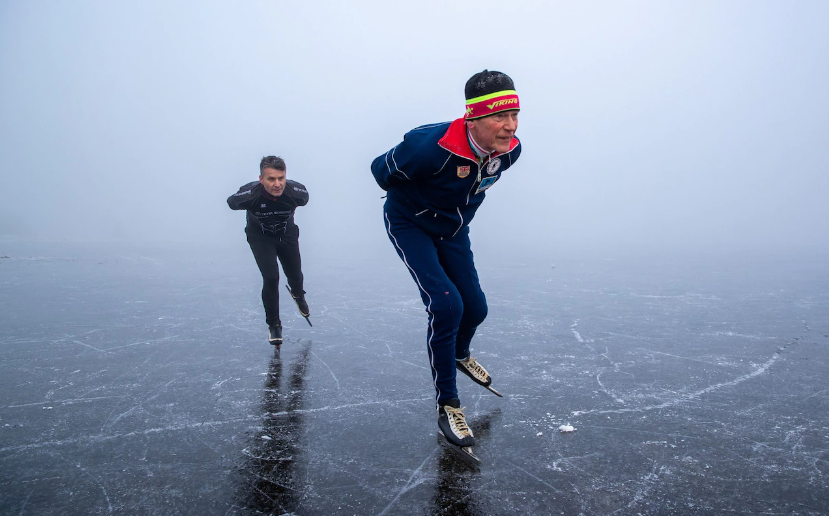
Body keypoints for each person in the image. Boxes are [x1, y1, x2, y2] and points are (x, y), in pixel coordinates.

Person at [370, 70, 522, 452]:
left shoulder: (510, 152)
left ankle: (458, 353)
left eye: (515, 114)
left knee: (476, 309)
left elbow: (475, 185)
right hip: (410, 224)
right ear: (474, 117)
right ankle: (448, 405)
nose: (509, 127)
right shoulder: (430, 146)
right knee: (446, 305)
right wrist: (415, 200)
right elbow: (380, 170)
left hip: (453, 230)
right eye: (499, 117)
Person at [227, 156, 310, 346]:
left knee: (295, 275)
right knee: (271, 278)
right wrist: (239, 201)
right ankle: (274, 324)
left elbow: (305, 198)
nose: (277, 184)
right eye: (271, 179)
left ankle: (298, 294)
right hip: (261, 237)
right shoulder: (250, 194)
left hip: (287, 234)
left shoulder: (297, 193)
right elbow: (231, 202)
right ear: (261, 179)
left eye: (281, 178)